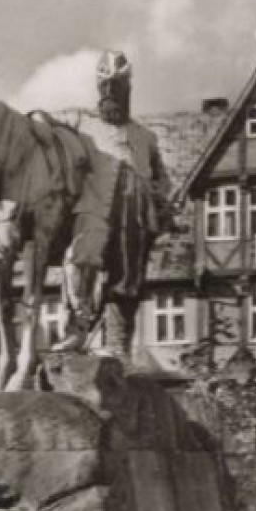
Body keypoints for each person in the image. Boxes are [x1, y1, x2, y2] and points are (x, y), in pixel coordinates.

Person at [56, 49, 173, 353]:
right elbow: (41, 129)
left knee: (126, 280)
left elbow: (162, 180)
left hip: (133, 219)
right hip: (94, 209)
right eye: (105, 89)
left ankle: (118, 346)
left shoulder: (145, 137)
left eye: (117, 89)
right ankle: (76, 330)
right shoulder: (78, 120)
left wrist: (163, 204)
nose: (111, 95)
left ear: (127, 90)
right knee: (79, 263)